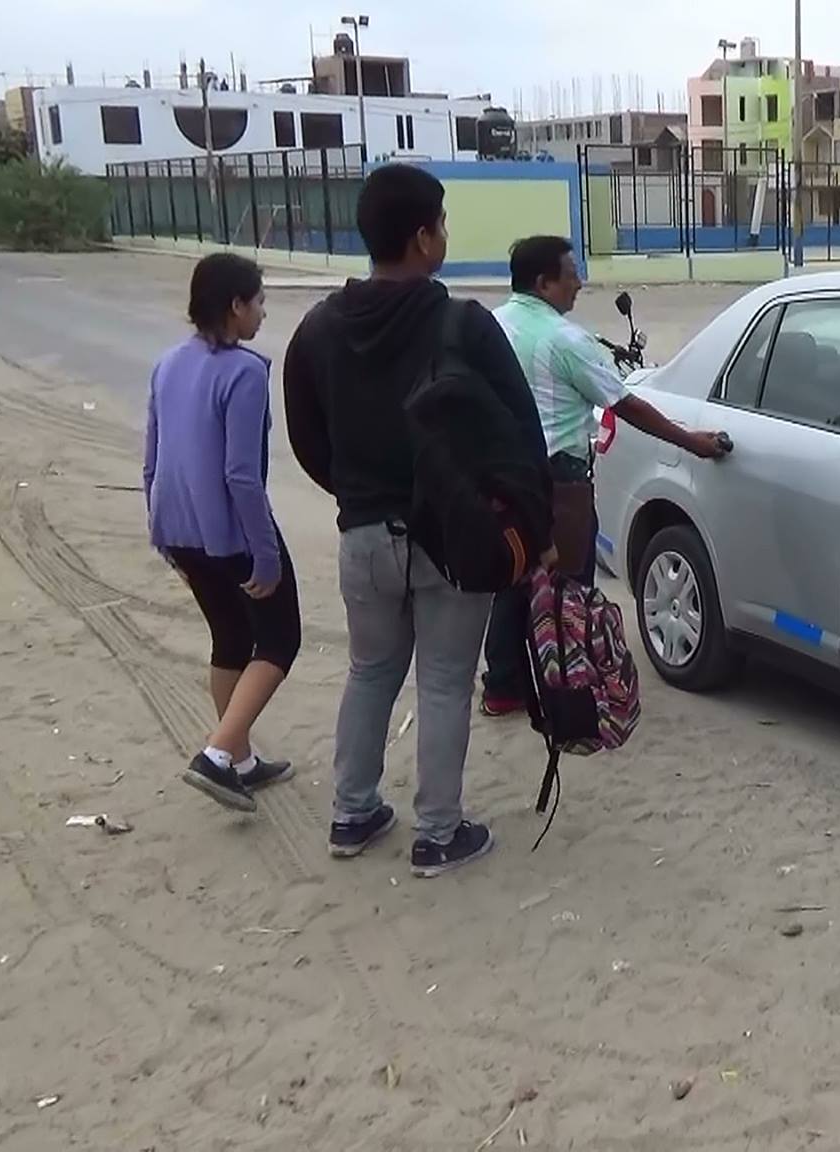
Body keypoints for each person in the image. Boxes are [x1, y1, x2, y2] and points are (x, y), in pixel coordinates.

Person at [282, 164, 547, 878]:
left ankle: (353, 812)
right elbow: (522, 432)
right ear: (424, 236)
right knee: (442, 681)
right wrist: (530, 527)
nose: (445, 237)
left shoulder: (317, 329)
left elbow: (306, 437)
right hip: (452, 536)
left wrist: (358, 495)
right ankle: (437, 833)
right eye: (443, 224)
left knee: (369, 671)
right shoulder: (462, 322)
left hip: (362, 536)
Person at [478, 235, 730, 717]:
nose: (579, 283)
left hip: (504, 478)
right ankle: (566, 694)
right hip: (559, 482)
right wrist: (693, 441)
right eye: (571, 273)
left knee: (514, 579)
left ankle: (503, 686)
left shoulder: (493, 326)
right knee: (567, 588)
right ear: (543, 282)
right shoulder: (565, 340)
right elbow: (626, 404)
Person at [144, 253, 301, 812]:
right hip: (229, 533)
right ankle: (216, 754)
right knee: (281, 640)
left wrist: (160, 531)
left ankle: (239, 759)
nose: (262, 312)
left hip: (179, 528)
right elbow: (242, 474)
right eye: (258, 301)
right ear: (235, 306)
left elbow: (152, 457)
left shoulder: (167, 363)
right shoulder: (246, 372)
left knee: (231, 638)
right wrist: (264, 555)